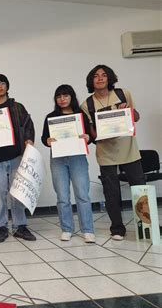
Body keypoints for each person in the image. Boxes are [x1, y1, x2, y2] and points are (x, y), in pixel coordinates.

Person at [80, 65, 144, 241]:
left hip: (129, 150)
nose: (100, 78)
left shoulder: (123, 94)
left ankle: (147, 226)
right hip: (105, 153)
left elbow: (136, 117)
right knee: (111, 192)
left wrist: (127, 111)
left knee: (140, 189)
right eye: (96, 76)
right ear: (91, 81)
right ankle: (117, 229)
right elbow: (92, 132)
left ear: (110, 78)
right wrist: (102, 131)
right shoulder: (87, 104)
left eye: (104, 75)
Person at [0, 74, 36, 243]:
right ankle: (1, 227)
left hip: (16, 156)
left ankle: (20, 227)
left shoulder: (17, 107)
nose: (0, 86)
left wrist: (29, 140)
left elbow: (28, 126)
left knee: (18, 194)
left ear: (7, 86)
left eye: (3, 83)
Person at [41, 84, 95, 243]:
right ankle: (66, 229)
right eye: (59, 96)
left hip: (77, 157)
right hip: (58, 159)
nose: (62, 99)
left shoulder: (81, 115)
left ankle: (88, 230)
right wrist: (47, 141)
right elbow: (45, 138)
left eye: (65, 95)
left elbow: (89, 137)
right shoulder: (50, 117)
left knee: (82, 194)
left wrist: (88, 138)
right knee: (62, 196)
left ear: (72, 97)